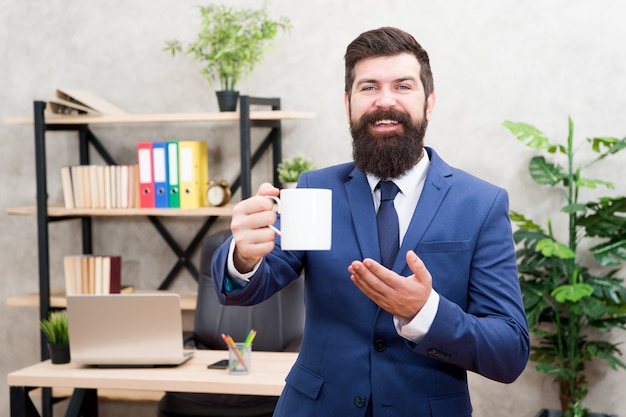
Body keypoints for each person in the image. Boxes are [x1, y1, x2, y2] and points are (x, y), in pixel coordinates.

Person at [211, 26, 529, 417]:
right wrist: (243, 256)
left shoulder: (481, 204)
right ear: (348, 104)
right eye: (369, 87)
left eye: (403, 86)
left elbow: (509, 351)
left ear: (429, 102)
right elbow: (244, 290)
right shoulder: (315, 189)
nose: (385, 101)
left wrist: (425, 312)